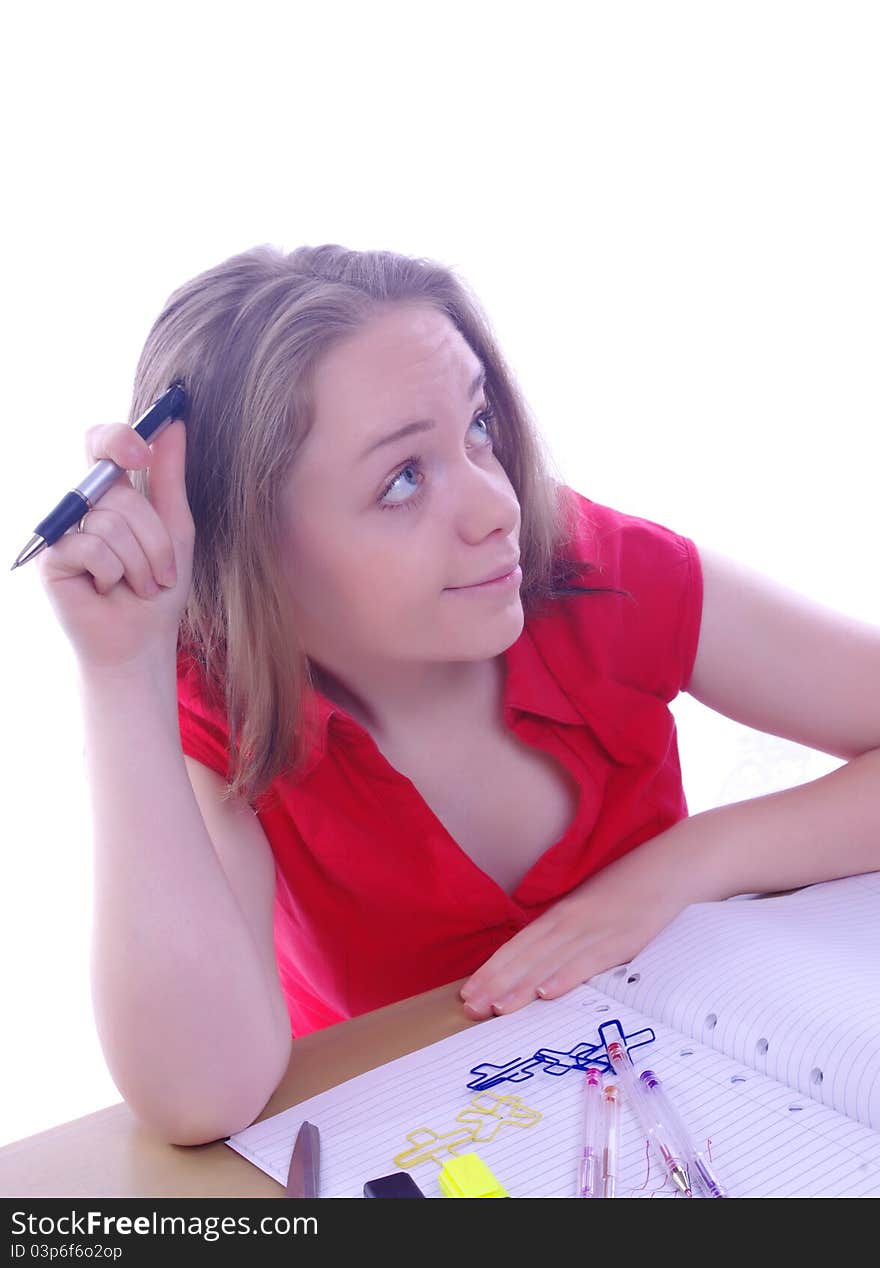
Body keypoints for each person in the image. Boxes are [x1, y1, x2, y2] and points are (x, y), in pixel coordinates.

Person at [37, 243, 880, 1147]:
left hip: (688, 1097)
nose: (497, 505)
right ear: (251, 544)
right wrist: (120, 674)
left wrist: (682, 865)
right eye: (402, 479)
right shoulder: (224, 708)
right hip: (431, 1148)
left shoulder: (591, 569)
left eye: (478, 428)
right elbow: (198, 1098)